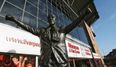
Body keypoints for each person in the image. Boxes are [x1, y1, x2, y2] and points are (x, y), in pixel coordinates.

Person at [5, 12, 87, 67]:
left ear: (55, 19)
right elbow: (28, 28)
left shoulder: (62, 30)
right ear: (48, 20)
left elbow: (74, 23)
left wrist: (85, 14)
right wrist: (15, 20)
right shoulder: (42, 31)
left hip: (61, 62)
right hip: (47, 63)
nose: (51, 18)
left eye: (52, 17)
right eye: (49, 18)